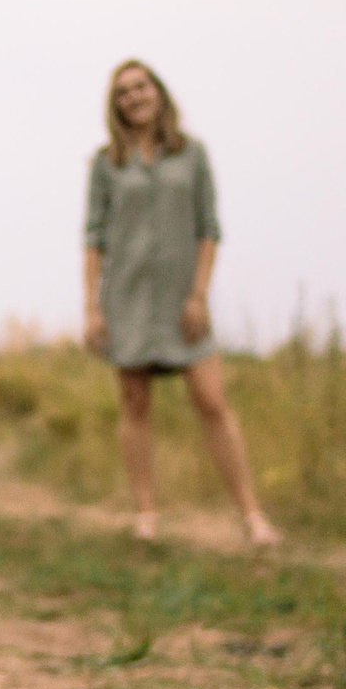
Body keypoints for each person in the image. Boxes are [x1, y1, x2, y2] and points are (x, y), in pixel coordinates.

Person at [82, 61, 279, 546]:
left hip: (181, 298)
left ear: (159, 92)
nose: (134, 97)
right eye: (123, 92)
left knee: (211, 400)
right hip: (125, 298)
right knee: (134, 403)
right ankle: (147, 514)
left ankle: (252, 515)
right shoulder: (106, 163)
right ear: (116, 106)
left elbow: (208, 229)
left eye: (141, 87)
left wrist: (198, 295)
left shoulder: (191, 155)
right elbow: (93, 238)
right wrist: (92, 308)